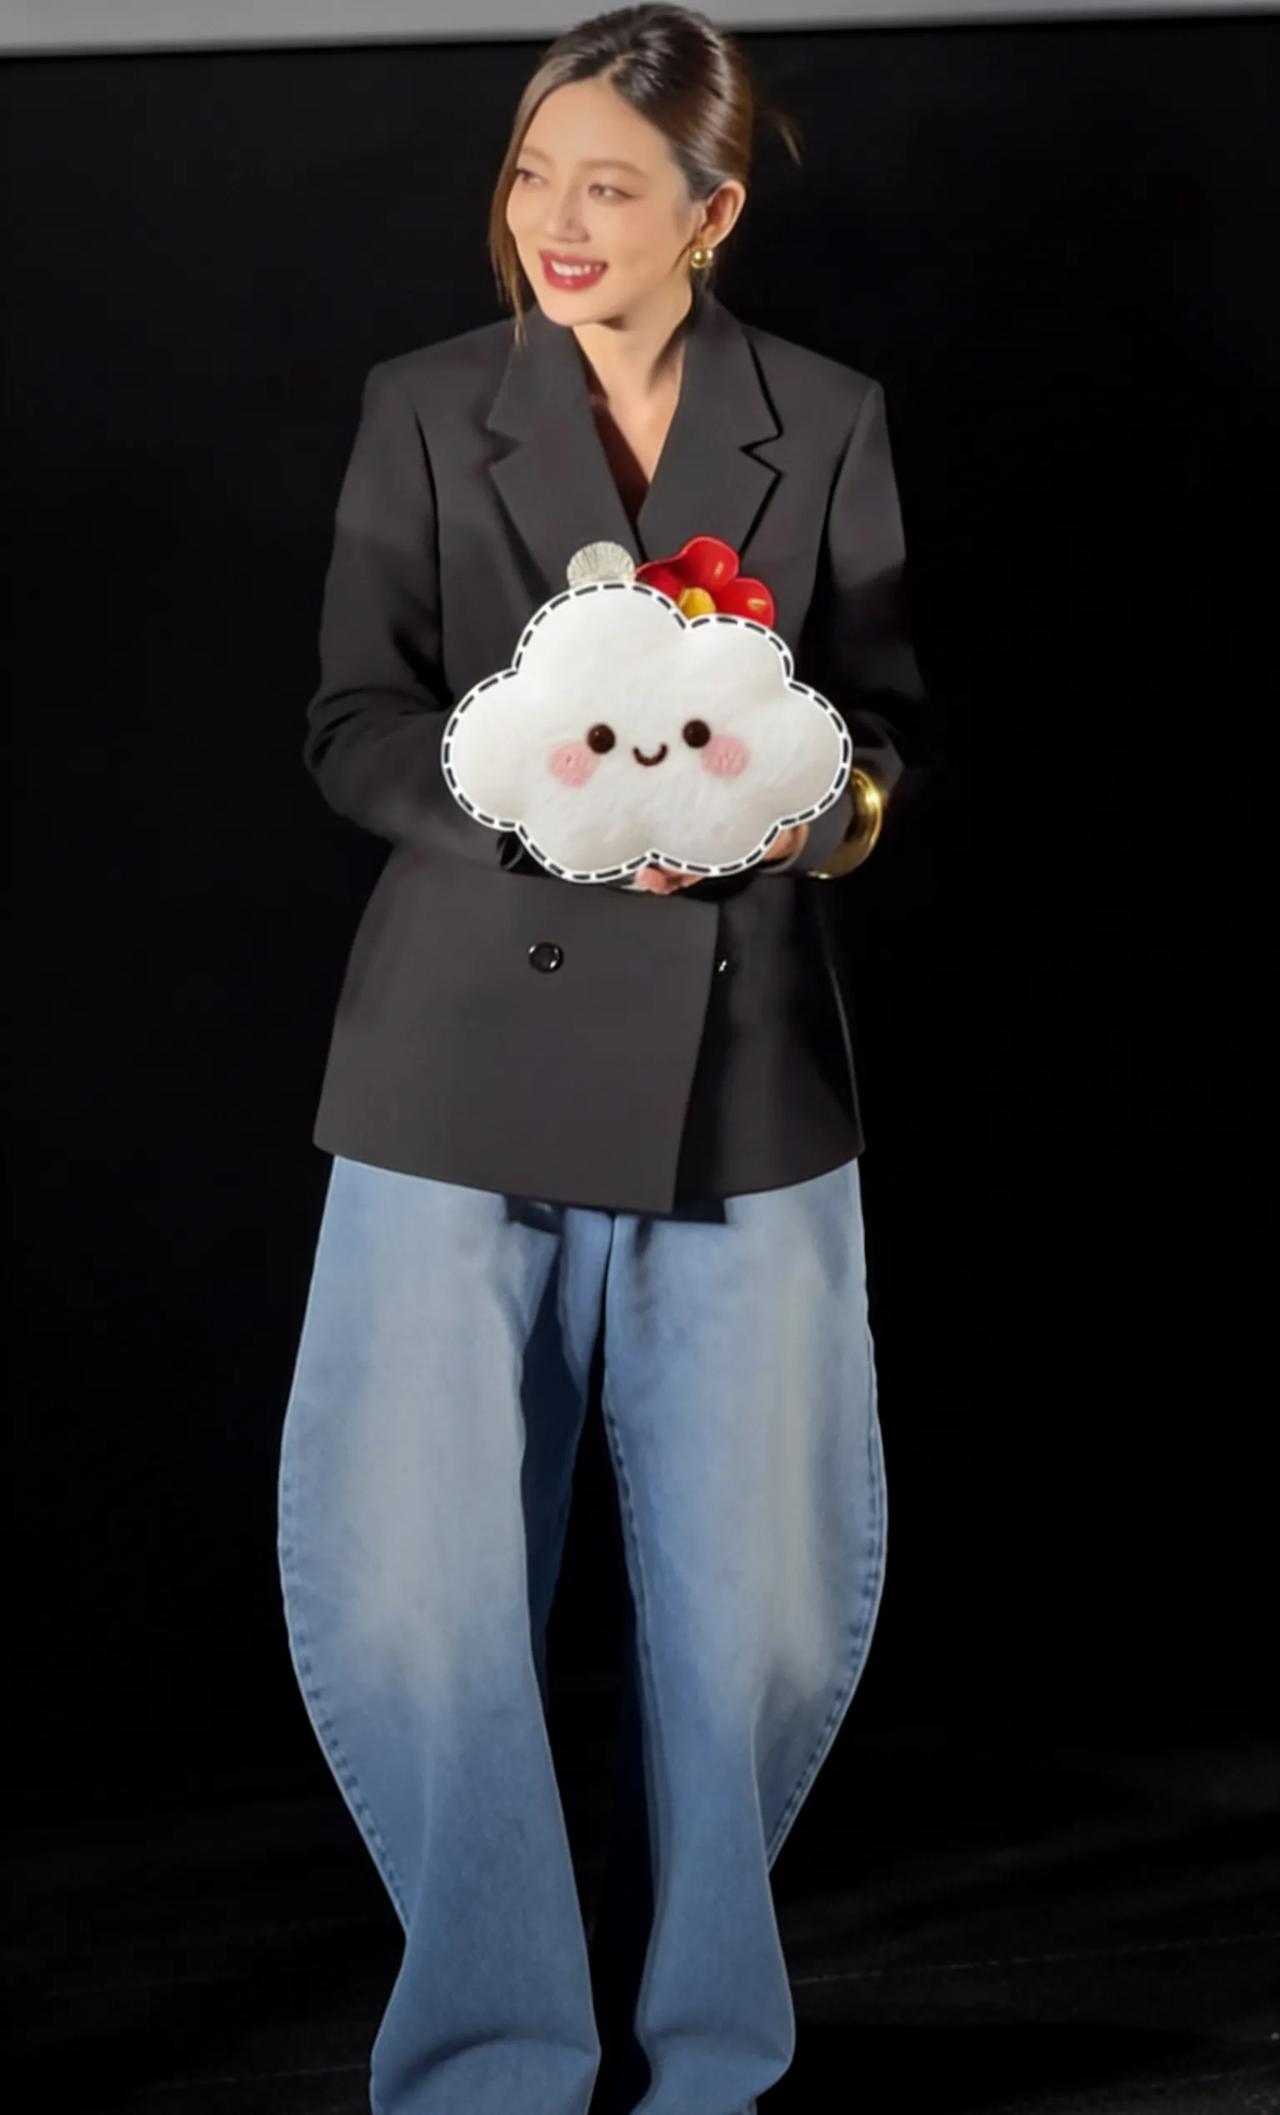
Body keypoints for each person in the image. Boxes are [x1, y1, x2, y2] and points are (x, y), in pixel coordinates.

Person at [277, 9, 929, 2114]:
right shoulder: (425, 406)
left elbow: (881, 737)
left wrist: (796, 810)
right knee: (418, 1591)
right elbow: (351, 720)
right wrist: (530, 802)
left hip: (742, 1082)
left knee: (753, 1604)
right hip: (451, 1068)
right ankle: (491, 2061)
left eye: (611, 185)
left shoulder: (824, 418)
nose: (555, 221)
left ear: (709, 214)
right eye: (532, 173)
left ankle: (712, 2060)